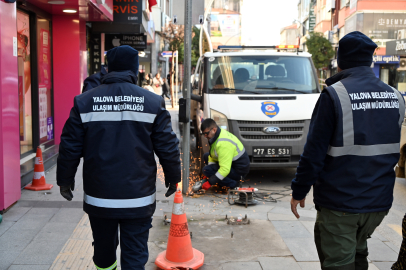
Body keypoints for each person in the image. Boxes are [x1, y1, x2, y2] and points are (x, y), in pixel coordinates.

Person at [57, 45, 181, 270]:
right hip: (139, 198)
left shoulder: (84, 102)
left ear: (108, 68)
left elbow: (69, 146)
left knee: (104, 253)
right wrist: (174, 176)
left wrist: (64, 180)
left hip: (99, 196)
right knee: (135, 254)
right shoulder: (152, 103)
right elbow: (168, 146)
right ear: (135, 69)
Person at [290, 31, 405, 270]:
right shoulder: (395, 96)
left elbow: (314, 152)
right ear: (369, 60)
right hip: (378, 204)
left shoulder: (334, 95)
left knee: (339, 263)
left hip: (342, 204)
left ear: (340, 61)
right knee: (358, 253)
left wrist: (299, 190)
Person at [196, 118, 250, 191]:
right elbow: (212, 154)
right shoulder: (216, 135)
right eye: (203, 134)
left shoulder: (223, 143)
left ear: (214, 130)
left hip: (239, 171)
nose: (205, 136)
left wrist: (210, 182)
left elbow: (225, 170)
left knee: (206, 170)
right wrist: (210, 174)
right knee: (206, 156)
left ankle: (234, 184)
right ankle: (219, 180)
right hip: (232, 164)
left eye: (206, 134)